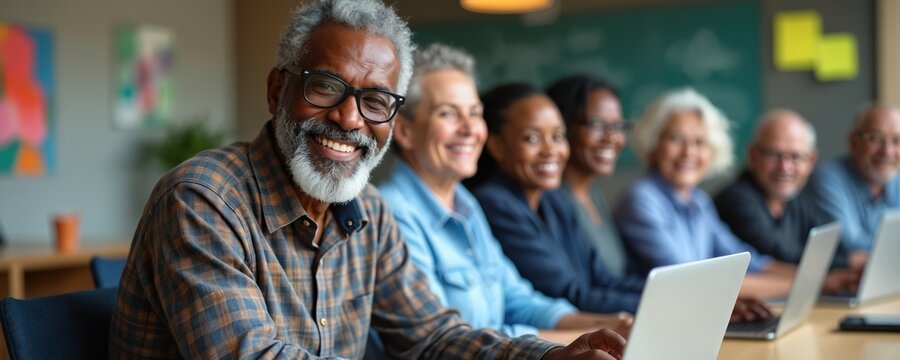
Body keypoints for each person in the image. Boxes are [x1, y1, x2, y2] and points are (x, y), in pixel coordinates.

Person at [107, 1, 626, 358]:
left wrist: (546, 357)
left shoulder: (368, 211)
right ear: (276, 91)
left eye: (375, 100)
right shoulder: (204, 199)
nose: (350, 119)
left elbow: (431, 337)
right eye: (326, 87)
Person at [379, 43, 631, 345]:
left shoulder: (466, 204)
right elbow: (450, 342)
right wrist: (582, 337)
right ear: (404, 131)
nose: (470, 129)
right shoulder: (391, 213)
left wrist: (613, 322)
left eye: (475, 113)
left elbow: (519, 299)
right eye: (448, 114)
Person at [614, 88, 808, 300]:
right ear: (653, 143)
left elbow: (744, 260)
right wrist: (805, 284)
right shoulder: (641, 199)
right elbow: (690, 282)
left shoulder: (698, 200)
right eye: (676, 139)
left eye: (700, 142)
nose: (689, 152)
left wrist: (807, 276)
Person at [472, 83, 644, 315]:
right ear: (497, 145)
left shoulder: (554, 199)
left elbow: (602, 278)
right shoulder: (495, 205)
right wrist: (659, 304)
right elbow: (570, 295)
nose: (551, 150)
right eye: (532, 139)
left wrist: (666, 293)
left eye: (557, 136)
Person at [714, 110, 831, 264]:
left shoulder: (797, 197)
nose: (785, 168)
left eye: (796, 157)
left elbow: (832, 245)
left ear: (810, 161)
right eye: (774, 155)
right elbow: (781, 257)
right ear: (753, 155)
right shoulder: (734, 201)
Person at [546, 74, 631, 278]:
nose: (611, 137)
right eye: (597, 125)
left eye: (618, 126)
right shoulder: (552, 201)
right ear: (563, 127)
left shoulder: (594, 195)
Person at [808, 104, 900, 270]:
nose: (887, 151)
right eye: (875, 138)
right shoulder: (828, 178)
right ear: (853, 141)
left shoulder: (896, 181)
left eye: (897, 141)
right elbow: (849, 244)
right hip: (840, 285)